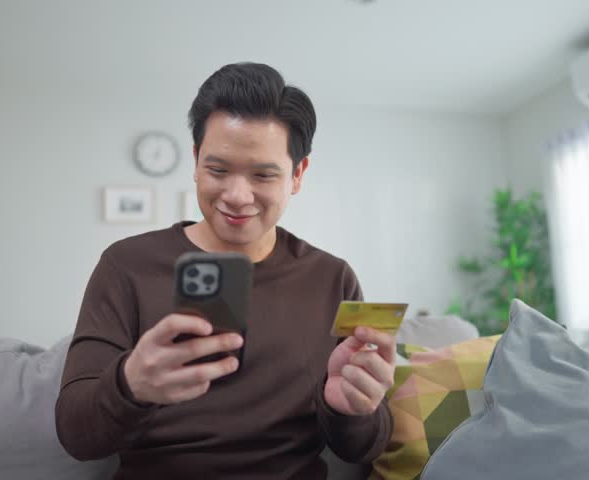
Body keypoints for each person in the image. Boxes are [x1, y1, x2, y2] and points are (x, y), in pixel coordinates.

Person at [56, 62, 396, 479]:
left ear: (297, 175)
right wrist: (130, 386)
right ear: (196, 160)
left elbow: (363, 447)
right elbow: (75, 435)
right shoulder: (126, 265)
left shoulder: (332, 278)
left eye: (262, 175)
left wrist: (354, 410)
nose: (237, 196)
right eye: (218, 170)